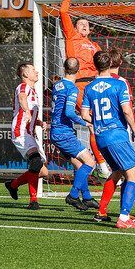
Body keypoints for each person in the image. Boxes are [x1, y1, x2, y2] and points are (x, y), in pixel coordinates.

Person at [81, 51, 135, 229]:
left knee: (117, 172)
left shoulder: (89, 87)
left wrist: (98, 122)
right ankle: (124, 217)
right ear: (111, 65)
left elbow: (84, 114)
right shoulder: (118, 84)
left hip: (101, 137)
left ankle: (101, 211)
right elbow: (127, 110)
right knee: (133, 175)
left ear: (95, 65)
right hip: (117, 135)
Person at [61, 0, 110, 178]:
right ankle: (100, 163)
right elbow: (64, 12)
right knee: (92, 122)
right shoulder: (72, 37)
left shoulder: (95, 45)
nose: (84, 25)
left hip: (96, 84)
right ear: (74, 27)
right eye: (80, 23)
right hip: (81, 83)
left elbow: (104, 64)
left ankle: (102, 160)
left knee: (100, 122)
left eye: (86, 24)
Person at [50, 57, 99, 211]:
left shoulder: (57, 85)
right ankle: (72, 195)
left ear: (64, 68)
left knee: (78, 164)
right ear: (78, 70)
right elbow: (69, 112)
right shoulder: (72, 89)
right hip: (64, 133)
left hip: (57, 131)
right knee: (90, 162)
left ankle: (87, 197)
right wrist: (86, 123)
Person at [5, 63, 48, 210]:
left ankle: (13, 184)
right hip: (21, 132)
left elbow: (28, 112)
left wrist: (39, 122)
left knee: (43, 171)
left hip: (30, 133)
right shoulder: (23, 87)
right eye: (33, 70)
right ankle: (33, 201)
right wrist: (28, 112)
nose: (36, 72)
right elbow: (22, 99)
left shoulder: (34, 91)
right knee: (35, 163)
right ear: (25, 75)